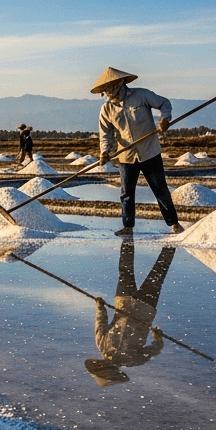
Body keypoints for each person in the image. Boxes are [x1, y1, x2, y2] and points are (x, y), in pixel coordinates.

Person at [93, 67, 183, 236]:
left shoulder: (141, 95)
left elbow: (165, 103)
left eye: (110, 88)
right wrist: (104, 151)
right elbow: (105, 134)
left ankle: (174, 224)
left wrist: (165, 119)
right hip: (126, 156)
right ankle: (128, 227)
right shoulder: (106, 109)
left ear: (119, 84)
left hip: (149, 151)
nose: (108, 93)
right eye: (106, 91)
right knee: (126, 193)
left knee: (160, 189)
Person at [85, 238, 176, 386]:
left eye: (103, 367)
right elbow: (154, 350)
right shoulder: (134, 360)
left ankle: (128, 235)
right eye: (108, 369)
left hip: (123, 302)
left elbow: (100, 322)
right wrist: (158, 337)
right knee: (159, 272)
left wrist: (100, 306)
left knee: (125, 269)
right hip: (145, 307)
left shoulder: (101, 344)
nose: (106, 365)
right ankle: (172, 241)